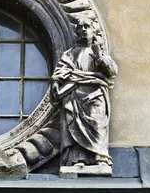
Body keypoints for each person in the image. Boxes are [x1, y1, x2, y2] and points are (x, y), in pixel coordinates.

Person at [51, 18, 118, 168]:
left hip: (95, 95)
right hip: (74, 95)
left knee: (97, 122)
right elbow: (61, 69)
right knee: (75, 125)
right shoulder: (70, 54)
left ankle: (100, 158)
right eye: (80, 28)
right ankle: (77, 159)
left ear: (93, 31)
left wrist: (99, 58)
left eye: (87, 27)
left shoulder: (97, 52)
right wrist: (56, 82)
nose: (83, 30)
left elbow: (112, 71)